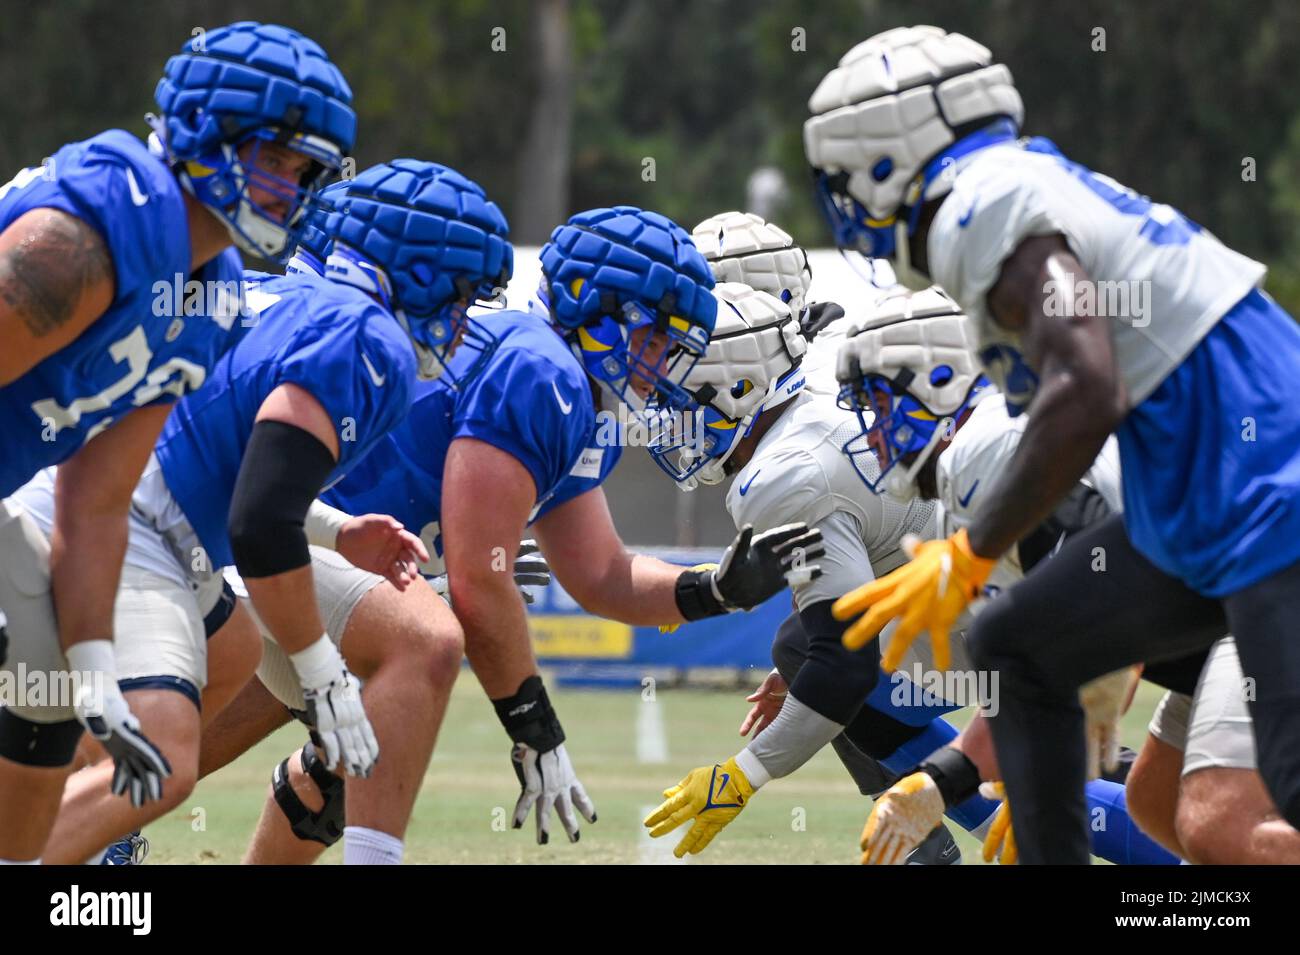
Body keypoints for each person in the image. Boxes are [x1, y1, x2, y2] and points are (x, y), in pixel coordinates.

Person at [808, 25, 1300, 862]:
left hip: (1264, 486)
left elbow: (1085, 388)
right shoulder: (1025, 181)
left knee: (1286, 782)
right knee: (1020, 645)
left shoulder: (980, 202)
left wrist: (969, 551)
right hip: (1201, 500)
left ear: (888, 153)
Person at [0, 20, 354, 865]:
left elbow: (95, 501)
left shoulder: (208, 294)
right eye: (279, 159)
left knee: (48, 679)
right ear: (209, 133)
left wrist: (94, 670)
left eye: (309, 172)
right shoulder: (87, 236)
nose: (293, 190)